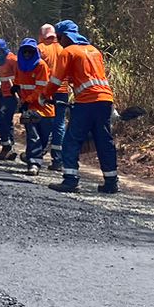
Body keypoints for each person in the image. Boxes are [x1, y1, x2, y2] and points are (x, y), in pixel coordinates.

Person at [49, 19, 118, 195]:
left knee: (72, 139)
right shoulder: (95, 51)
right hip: (105, 100)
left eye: (58, 37)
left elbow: (56, 80)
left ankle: (70, 180)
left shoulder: (69, 52)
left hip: (87, 102)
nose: (58, 41)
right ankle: (111, 182)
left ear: (65, 36)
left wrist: (43, 96)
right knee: (104, 141)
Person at [14, 38, 56, 175]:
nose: (27, 54)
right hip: (31, 109)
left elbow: (41, 89)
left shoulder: (41, 66)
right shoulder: (20, 66)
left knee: (43, 139)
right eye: (24, 51)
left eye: (30, 52)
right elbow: (19, 82)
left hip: (45, 109)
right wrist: (17, 90)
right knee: (33, 136)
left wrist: (27, 100)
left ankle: (32, 155)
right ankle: (34, 163)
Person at [37, 22, 69, 171]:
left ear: (42, 35)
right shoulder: (64, 48)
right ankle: (57, 159)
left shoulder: (40, 49)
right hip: (63, 92)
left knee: (43, 121)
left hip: (46, 91)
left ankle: (38, 153)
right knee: (59, 124)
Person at [0, 38, 19, 159]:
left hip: (12, 95)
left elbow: (20, 76)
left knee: (2, 117)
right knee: (5, 120)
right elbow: (1, 77)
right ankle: (9, 148)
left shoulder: (12, 60)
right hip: (3, 94)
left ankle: (6, 146)